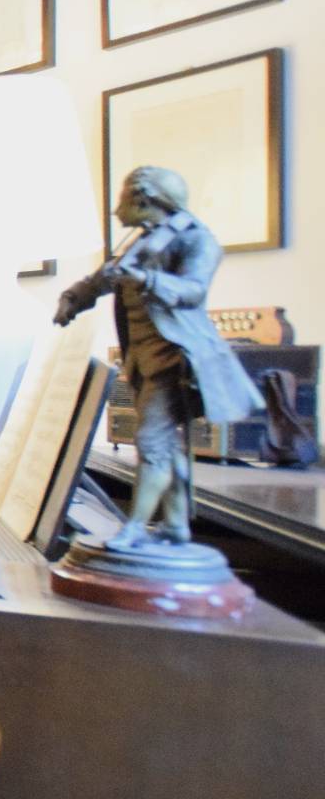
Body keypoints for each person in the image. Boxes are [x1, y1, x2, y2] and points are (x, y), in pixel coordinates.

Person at [54, 165, 262, 549]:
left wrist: (148, 280)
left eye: (122, 200)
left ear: (144, 199)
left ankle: (135, 527)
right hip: (141, 360)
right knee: (166, 447)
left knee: (151, 441)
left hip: (175, 360)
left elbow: (193, 291)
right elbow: (103, 279)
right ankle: (177, 525)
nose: (116, 210)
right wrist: (73, 299)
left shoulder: (197, 239)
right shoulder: (142, 241)